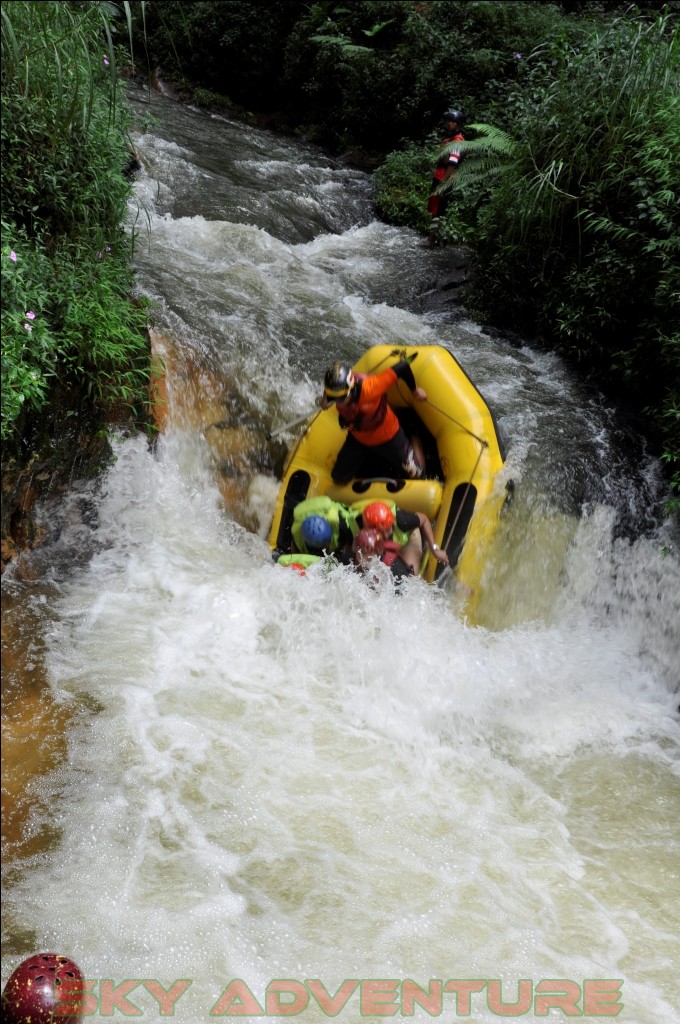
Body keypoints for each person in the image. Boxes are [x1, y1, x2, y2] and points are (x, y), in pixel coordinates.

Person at [321, 357, 427, 484]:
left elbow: (403, 367)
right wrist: (325, 400)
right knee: (338, 479)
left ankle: (413, 430)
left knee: (418, 474)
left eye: (340, 399)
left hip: (388, 435)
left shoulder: (371, 387)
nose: (337, 403)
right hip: (359, 438)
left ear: (350, 389)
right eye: (333, 398)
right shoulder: (334, 392)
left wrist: (415, 391)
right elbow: (329, 395)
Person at [360, 500, 449, 577]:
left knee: (410, 578)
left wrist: (435, 549)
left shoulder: (402, 521)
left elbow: (424, 520)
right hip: (381, 543)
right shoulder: (357, 529)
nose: (386, 535)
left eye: (387, 529)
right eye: (380, 533)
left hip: (408, 538)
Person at [427, 109, 465, 246]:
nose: (449, 124)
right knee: (435, 207)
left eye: (453, 122)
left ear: (458, 124)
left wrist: (443, 182)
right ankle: (432, 237)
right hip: (440, 174)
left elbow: (453, 162)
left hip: (445, 177)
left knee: (440, 209)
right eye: (448, 121)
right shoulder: (448, 138)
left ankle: (433, 239)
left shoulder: (457, 141)